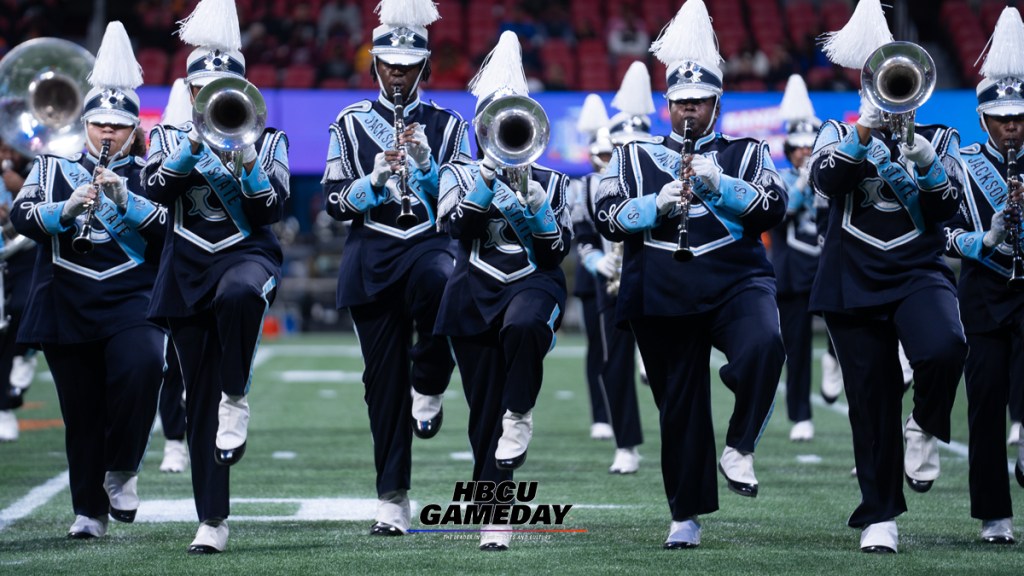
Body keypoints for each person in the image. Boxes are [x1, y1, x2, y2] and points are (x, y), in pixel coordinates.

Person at [594, 0, 787, 548]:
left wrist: (718, 185)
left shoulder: (747, 151)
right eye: (680, 103)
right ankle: (685, 514)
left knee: (765, 344)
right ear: (666, 104)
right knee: (680, 406)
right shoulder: (633, 157)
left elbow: (772, 208)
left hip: (735, 280)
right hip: (662, 288)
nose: (688, 113)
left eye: (699, 104)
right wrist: (656, 204)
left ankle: (741, 444)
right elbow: (608, 215)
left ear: (717, 104)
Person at [813, 0, 967, 553]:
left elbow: (948, 209)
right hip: (850, 276)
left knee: (945, 348)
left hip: (917, 270)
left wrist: (924, 162)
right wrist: (863, 132)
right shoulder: (835, 130)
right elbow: (827, 183)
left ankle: (925, 423)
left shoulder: (941, 139)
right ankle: (880, 515)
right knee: (871, 399)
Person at [142, 0, 290, 554]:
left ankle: (238, 393)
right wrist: (188, 145)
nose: (211, 101)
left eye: (221, 91)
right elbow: (154, 191)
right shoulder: (166, 138)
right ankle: (212, 520)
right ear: (192, 93)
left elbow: (270, 210)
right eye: (202, 91)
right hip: (185, 269)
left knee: (240, 292)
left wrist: (245, 156)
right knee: (196, 399)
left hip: (246, 256)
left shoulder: (268, 141)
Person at [11, 22, 165, 539]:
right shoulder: (53, 166)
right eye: (98, 124)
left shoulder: (152, 173)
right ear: (86, 124)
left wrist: (128, 200)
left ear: (132, 130)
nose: (106, 134)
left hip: (132, 299)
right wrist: (67, 207)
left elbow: (169, 233)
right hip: (66, 299)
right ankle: (88, 511)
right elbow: (21, 217)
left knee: (143, 368)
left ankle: (122, 468)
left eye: (117, 127)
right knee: (80, 410)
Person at [321, 0, 468, 537]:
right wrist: (376, 181)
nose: (398, 73)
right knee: (380, 382)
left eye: (408, 66)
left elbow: (460, 204)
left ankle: (429, 378)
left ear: (423, 68)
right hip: (372, 254)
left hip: (428, 243)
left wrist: (427, 167)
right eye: (389, 65)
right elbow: (335, 204)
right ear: (375, 66)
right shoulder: (350, 123)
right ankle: (392, 497)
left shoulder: (450, 125)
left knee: (441, 280)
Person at [436, 30, 572, 552]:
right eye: (497, 124)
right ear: (482, 128)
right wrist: (487, 178)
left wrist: (534, 206)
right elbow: (456, 228)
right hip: (473, 290)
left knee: (522, 328)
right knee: (480, 413)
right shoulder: (459, 172)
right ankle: (494, 509)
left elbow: (554, 252)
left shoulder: (555, 184)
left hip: (534, 284)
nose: (505, 132)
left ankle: (521, 413)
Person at [943, 5, 1024, 545]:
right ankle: (994, 514)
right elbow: (942, 233)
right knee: (986, 403)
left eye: (1019, 118)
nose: (1013, 126)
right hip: (983, 293)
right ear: (983, 119)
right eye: (1003, 119)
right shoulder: (962, 162)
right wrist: (986, 238)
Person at [579, 63, 657, 475]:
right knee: (614, 361)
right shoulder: (591, 185)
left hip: (661, 280)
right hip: (611, 283)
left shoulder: (666, 181)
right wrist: (597, 261)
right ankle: (626, 443)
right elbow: (582, 235)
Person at [770, 74, 822, 441]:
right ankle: (800, 414)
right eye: (799, 147)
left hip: (828, 270)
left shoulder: (830, 177)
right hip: (793, 275)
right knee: (797, 348)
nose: (805, 152)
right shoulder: (778, 176)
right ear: (789, 150)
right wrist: (803, 181)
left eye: (811, 146)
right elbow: (783, 211)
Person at [154, 78, 192, 474]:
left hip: (199, 261)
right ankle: (173, 440)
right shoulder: (161, 149)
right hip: (167, 267)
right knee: (171, 364)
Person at [570, 94, 613, 442]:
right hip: (592, 275)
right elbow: (579, 232)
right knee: (598, 347)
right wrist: (595, 260)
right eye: (601, 155)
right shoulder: (581, 187)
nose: (606, 161)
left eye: (611, 155)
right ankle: (601, 413)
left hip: (626, 273)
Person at [0, 139, 38, 442]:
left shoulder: (35, 168)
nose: (6, 155)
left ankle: (26, 353)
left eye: (10, 148)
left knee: (24, 308)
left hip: (24, 252)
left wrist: (21, 187)